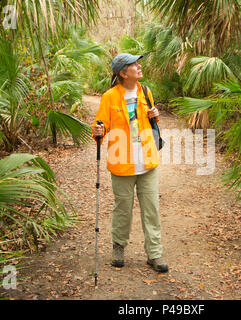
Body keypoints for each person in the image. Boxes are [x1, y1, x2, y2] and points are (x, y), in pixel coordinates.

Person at [91, 53, 168, 273]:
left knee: (151, 209)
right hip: (121, 161)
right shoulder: (109, 97)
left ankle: (154, 254)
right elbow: (100, 127)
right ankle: (118, 247)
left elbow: (150, 122)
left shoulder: (145, 91)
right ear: (123, 73)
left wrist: (155, 114)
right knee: (123, 209)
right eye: (134, 64)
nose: (139, 66)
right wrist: (98, 130)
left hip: (147, 160)